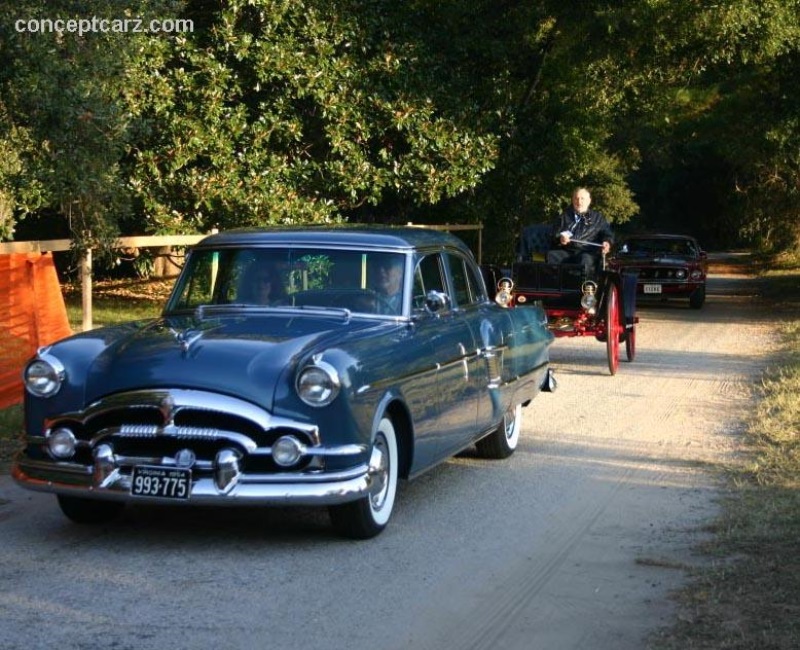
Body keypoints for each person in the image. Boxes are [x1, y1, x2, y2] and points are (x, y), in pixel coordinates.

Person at [545, 187, 614, 277]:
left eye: (582, 199)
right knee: (551, 256)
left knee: (585, 260)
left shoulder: (598, 218)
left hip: (587, 252)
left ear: (589, 201)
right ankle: (556, 287)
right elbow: (554, 234)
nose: (579, 202)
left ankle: (582, 287)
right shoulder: (564, 216)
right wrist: (560, 238)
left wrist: (607, 242)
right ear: (573, 200)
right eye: (576, 198)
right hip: (567, 251)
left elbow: (608, 234)